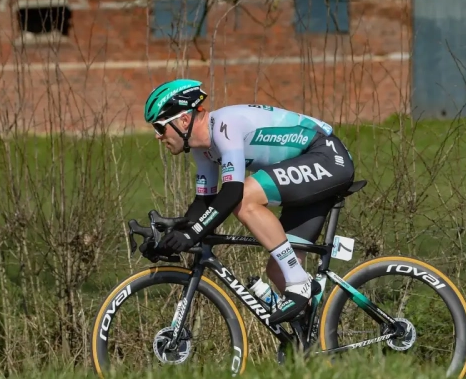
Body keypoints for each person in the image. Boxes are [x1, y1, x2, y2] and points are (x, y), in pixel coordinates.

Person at [143, 79, 355, 326]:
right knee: (277, 271)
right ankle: (312, 344)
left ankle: (301, 281)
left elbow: (232, 193)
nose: (158, 136)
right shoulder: (203, 150)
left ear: (184, 120)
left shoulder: (224, 126)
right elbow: (204, 203)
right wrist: (167, 238)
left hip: (327, 157)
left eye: (160, 127)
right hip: (307, 172)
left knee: (245, 198)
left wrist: (192, 234)